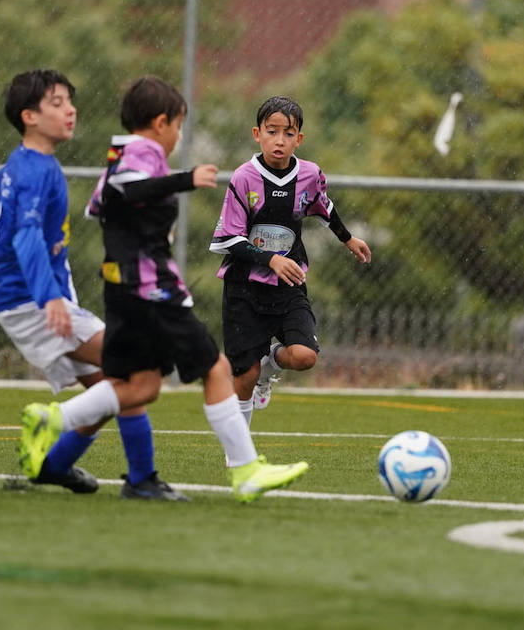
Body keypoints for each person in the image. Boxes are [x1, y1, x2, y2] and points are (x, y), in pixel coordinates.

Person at [17, 75, 309, 503]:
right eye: (178, 126)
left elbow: (99, 203)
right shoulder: (144, 152)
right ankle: (246, 471)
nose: (178, 136)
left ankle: (52, 419)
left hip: (127, 286)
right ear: (160, 123)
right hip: (149, 289)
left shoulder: (122, 151)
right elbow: (122, 192)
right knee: (215, 369)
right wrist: (182, 180)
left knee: (141, 386)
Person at [0, 69, 185, 501]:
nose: (71, 110)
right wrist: (50, 299)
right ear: (29, 116)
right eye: (57, 103)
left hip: (31, 299)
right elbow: (26, 236)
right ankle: (137, 477)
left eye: (70, 101)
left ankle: (57, 466)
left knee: (113, 388)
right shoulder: (35, 172)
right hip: (34, 301)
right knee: (137, 371)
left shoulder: (24, 162)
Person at [208, 96, 371, 425]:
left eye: (288, 133)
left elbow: (324, 207)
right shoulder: (243, 178)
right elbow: (228, 239)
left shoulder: (309, 175)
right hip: (244, 289)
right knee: (244, 374)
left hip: (288, 285)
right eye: (272, 132)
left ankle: (269, 367)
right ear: (257, 134)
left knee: (304, 356)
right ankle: (240, 452)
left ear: (299, 138)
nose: (279, 140)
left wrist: (348, 238)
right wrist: (270, 260)